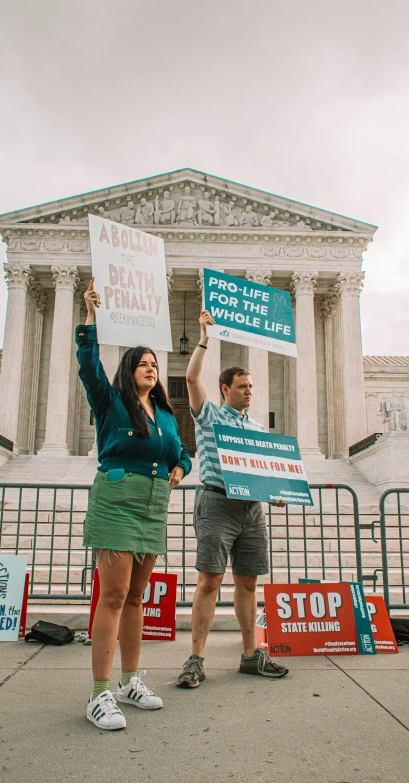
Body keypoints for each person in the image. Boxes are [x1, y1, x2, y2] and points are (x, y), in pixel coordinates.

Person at [77, 279, 192, 730]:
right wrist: (90, 319)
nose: (150, 368)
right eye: (143, 363)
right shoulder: (111, 402)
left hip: (152, 505)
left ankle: (129, 681)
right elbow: (88, 366)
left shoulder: (164, 414)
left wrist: (181, 468)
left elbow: (180, 450)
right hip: (117, 499)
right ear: (129, 369)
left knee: (137, 597)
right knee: (114, 595)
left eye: (154, 364)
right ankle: (99, 692)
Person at [177, 309, 289, 688]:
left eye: (251, 387)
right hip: (217, 503)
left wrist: (277, 491)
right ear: (226, 389)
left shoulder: (258, 428)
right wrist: (205, 336)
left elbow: (264, 473)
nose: (249, 392)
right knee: (210, 580)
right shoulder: (209, 415)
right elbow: (192, 377)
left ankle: (249, 656)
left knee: (248, 583)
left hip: (251, 511)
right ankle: (195, 659)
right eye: (243, 386)